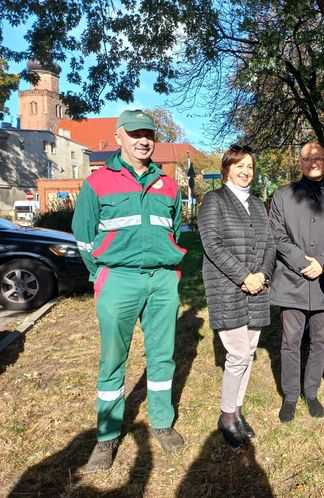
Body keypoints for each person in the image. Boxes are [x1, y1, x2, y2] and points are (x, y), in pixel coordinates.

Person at [72, 110, 186, 472]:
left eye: (149, 134)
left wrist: (165, 267)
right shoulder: (98, 183)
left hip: (161, 281)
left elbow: (176, 230)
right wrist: (102, 275)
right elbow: (84, 236)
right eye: (135, 133)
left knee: (162, 356)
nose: (143, 140)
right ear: (118, 137)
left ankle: (161, 421)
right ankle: (106, 437)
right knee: (112, 360)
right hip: (118, 280)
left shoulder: (169, 185)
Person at [198, 144, 276, 448]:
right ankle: (227, 416)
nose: (246, 171)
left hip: (257, 287)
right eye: (239, 166)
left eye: (250, 167)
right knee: (238, 354)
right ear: (227, 169)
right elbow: (212, 244)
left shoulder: (257, 204)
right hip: (227, 287)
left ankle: (238, 410)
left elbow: (270, 245)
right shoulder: (214, 200)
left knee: (249, 352)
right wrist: (244, 277)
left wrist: (262, 276)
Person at [269, 142, 324, 423]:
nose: (313, 162)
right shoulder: (283, 195)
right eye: (307, 158)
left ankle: (311, 391)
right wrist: (303, 262)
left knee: (320, 339)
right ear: (300, 163)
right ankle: (291, 394)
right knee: (290, 340)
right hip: (292, 278)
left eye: (318, 157)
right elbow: (276, 235)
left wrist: (323, 261)